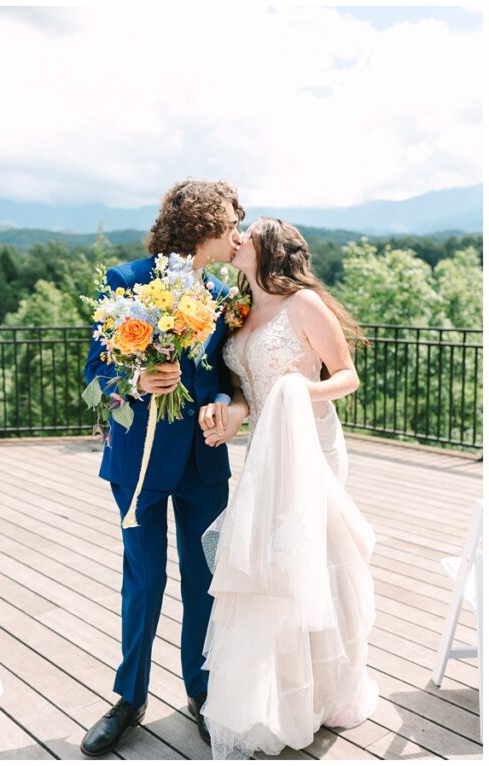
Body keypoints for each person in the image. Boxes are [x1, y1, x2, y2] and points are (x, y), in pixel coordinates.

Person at [80, 179, 250, 757]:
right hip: (140, 461)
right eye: (232, 219)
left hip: (204, 461)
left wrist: (227, 408)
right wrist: (135, 381)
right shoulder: (127, 281)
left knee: (205, 583)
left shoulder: (225, 295)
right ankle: (130, 698)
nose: (238, 230)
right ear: (205, 223)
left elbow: (225, 381)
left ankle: (201, 693)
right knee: (144, 582)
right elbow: (91, 379)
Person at [199, 217, 378, 758]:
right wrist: (232, 413)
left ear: (267, 249)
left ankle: (324, 693)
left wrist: (303, 388)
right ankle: (277, 692)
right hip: (263, 452)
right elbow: (245, 389)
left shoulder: (304, 304)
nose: (238, 239)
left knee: (312, 564)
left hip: (313, 448)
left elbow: (346, 376)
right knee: (271, 569)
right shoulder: (240, 309)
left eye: (247, 234)